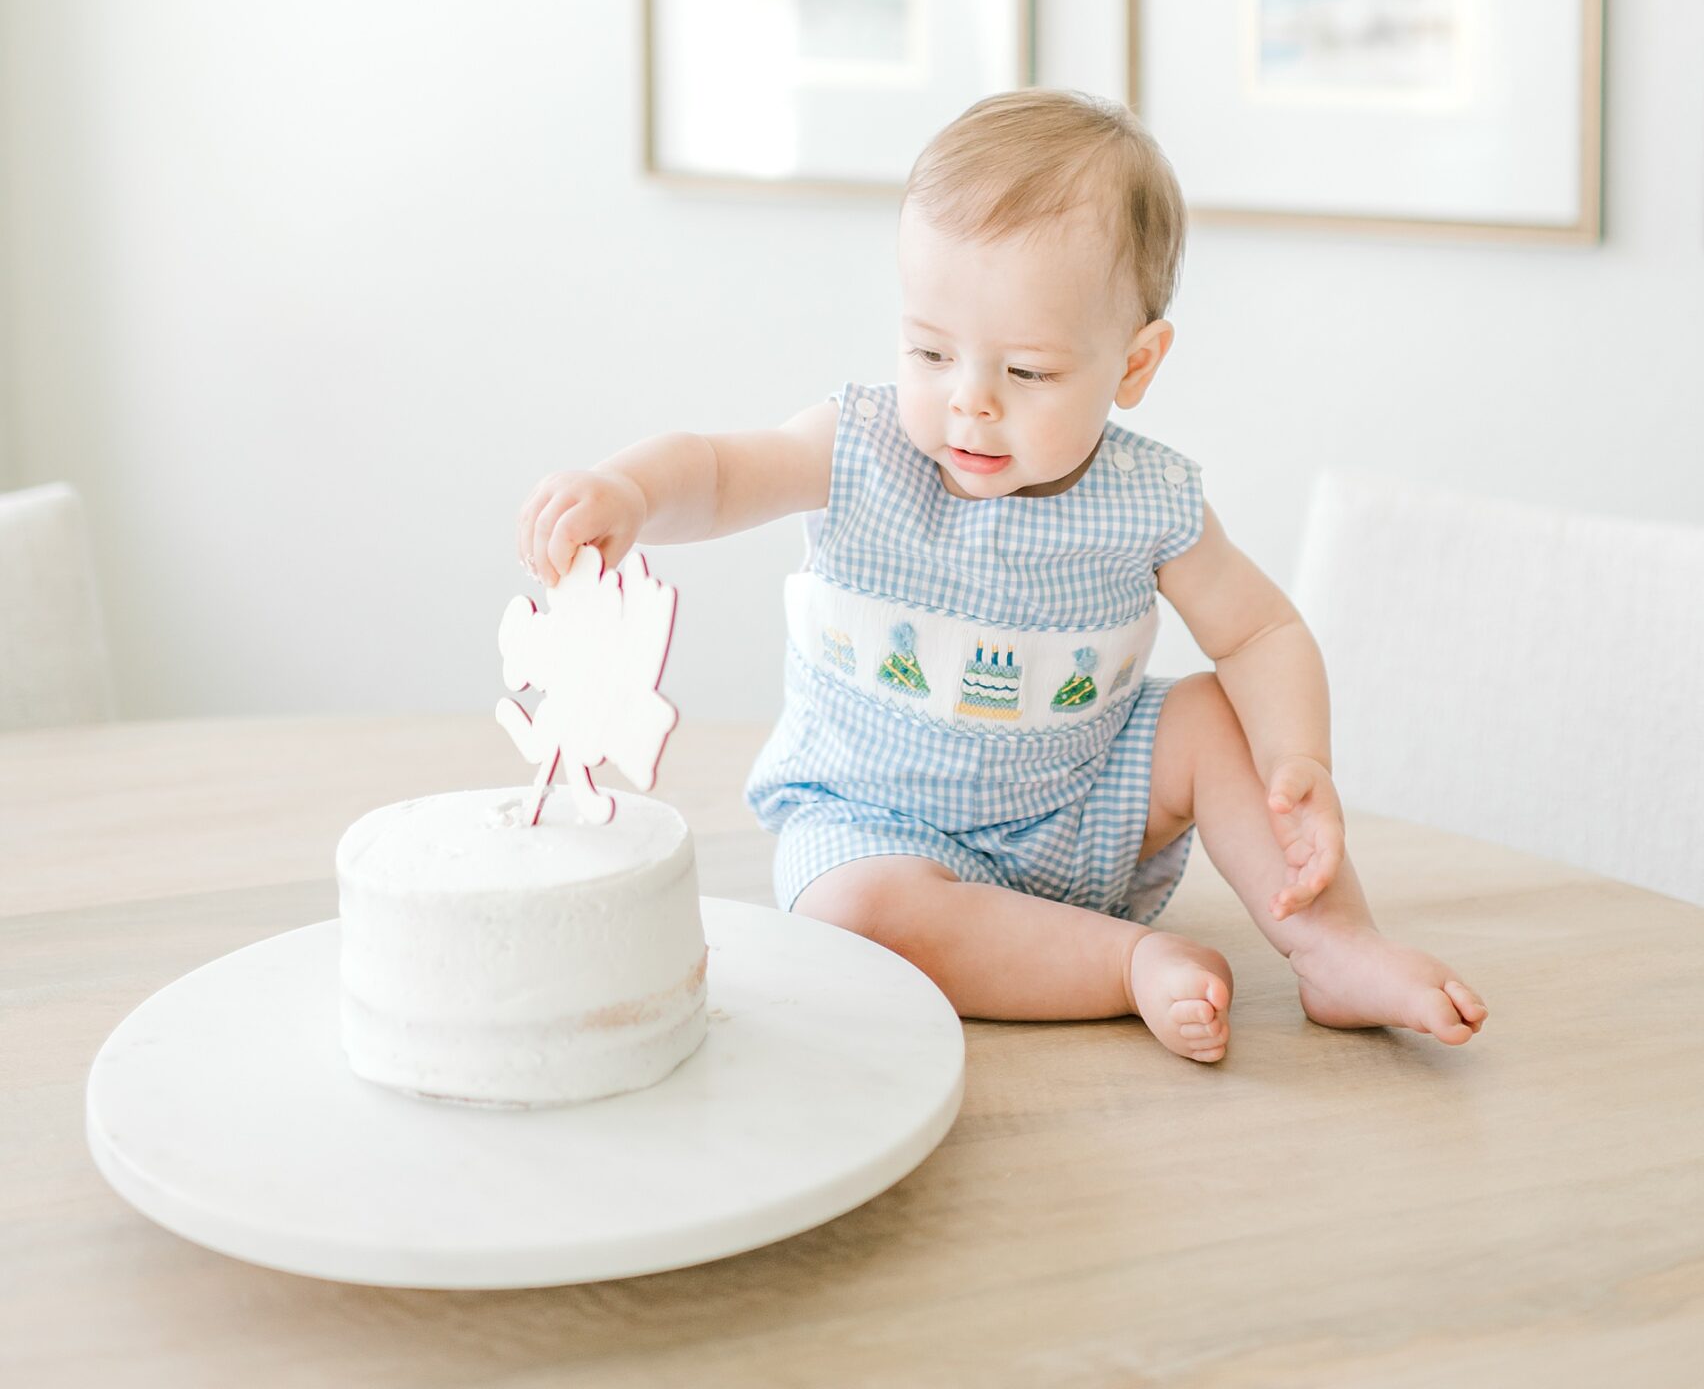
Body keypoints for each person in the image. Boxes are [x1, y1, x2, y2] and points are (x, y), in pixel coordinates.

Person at [516, 90, 1487, 1060]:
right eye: (930, 351)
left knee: (1203, 715)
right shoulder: (861, 448)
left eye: (1026, 372)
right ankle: (1122, 963)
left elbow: (1260, 633)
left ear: (1135, 364)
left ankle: (1335, 946)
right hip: (878, 826)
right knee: (848, 914)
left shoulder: (1147, 500)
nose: (969, 402)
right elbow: (724, 469)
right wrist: (629, 493)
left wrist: (1298, 758)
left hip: (1084, 809)